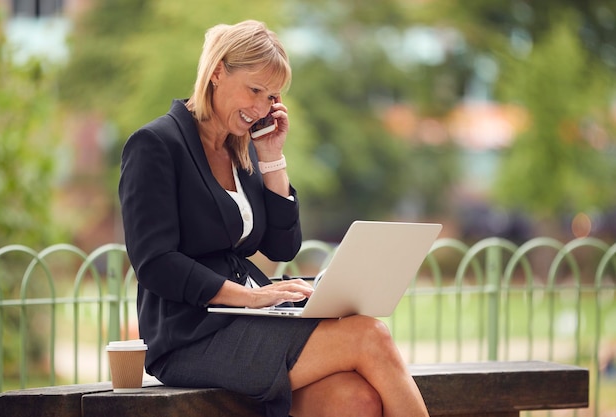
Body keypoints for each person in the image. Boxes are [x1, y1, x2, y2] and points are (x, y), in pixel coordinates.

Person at [119, 20, 430, 417]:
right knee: (370, 335)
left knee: (355, 400)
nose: (260, 108)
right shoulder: (156, 144)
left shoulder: (243, 152)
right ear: (216, 71)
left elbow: (283, 246)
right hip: (189, 335)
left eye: (270, 97)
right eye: (254, 90)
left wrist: (271, 157)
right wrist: (250, 298)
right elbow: (155, 262)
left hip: (250, 318)